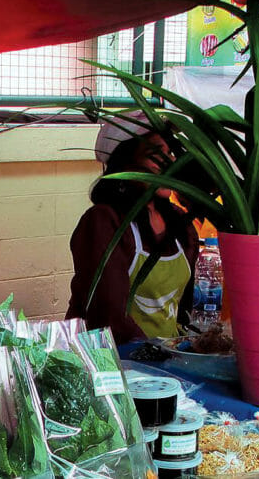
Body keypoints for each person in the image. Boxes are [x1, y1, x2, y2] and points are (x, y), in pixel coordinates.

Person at [65, 112, 198, 344]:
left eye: (170, 154)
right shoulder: (103, 222)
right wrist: (159, 359)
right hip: (112, 363)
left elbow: (184, 311)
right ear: (124, 163)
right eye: (155, 155)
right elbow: (109, 318)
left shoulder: (180, 225)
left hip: (167, 366)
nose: (169, 165)